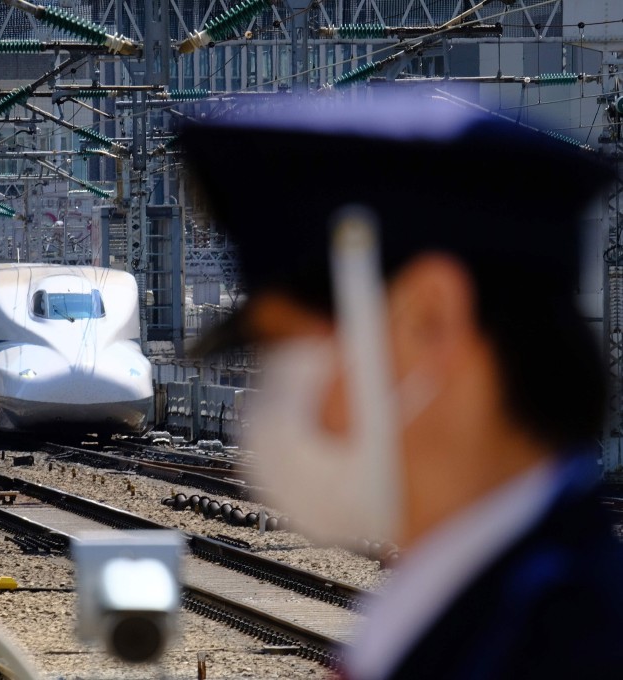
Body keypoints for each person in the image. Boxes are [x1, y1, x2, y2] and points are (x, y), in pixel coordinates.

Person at [179, 92, 623, 679]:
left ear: (430, 320)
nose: (260, 408)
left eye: (287, 349)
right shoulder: (498, 616)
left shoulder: (563, 649)